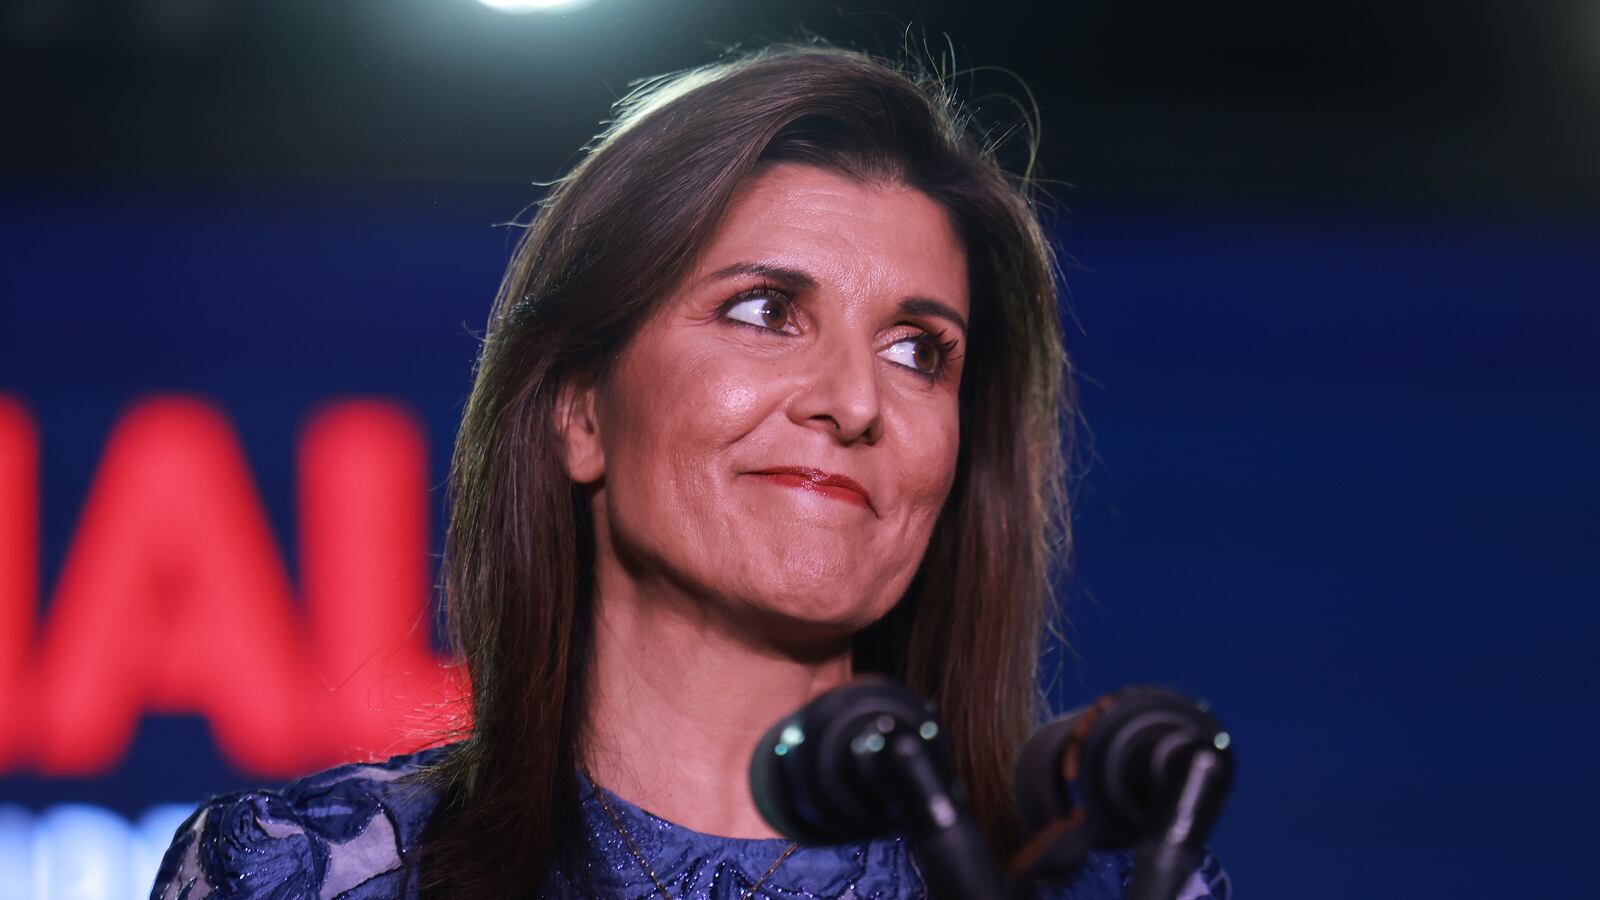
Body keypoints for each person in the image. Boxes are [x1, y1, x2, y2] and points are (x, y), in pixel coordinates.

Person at [151, 45, 1230, 899]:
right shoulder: (303, 875)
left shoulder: (1117, 886)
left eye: (918, 352)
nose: (854, 403)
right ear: (579, 410)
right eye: (767, 311)